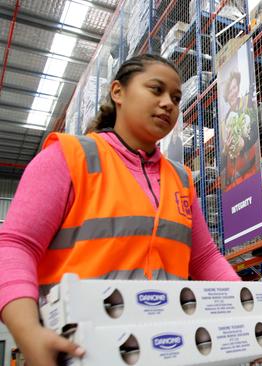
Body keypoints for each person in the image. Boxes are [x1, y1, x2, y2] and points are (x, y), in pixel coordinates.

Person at [0, 54, 240, 366]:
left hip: (164, 351)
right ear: (118, 92)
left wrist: (252, 311)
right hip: (76, 352)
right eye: (156, 90)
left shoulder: (181, 180)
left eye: (176, 97)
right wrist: (28, 331)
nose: (168, 103)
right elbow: (16, 245)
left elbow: (205, 259)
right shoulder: (69, 158)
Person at [219, 70, 260, 191]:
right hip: (235, 176)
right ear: (226, 94)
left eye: (235, 87)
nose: (233, 91)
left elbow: (255, 131)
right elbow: (223, 162)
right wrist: (225, 151)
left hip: (251, 168)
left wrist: (244, 143)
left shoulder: (247, 102)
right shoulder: (224, 122)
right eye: (230, 89)